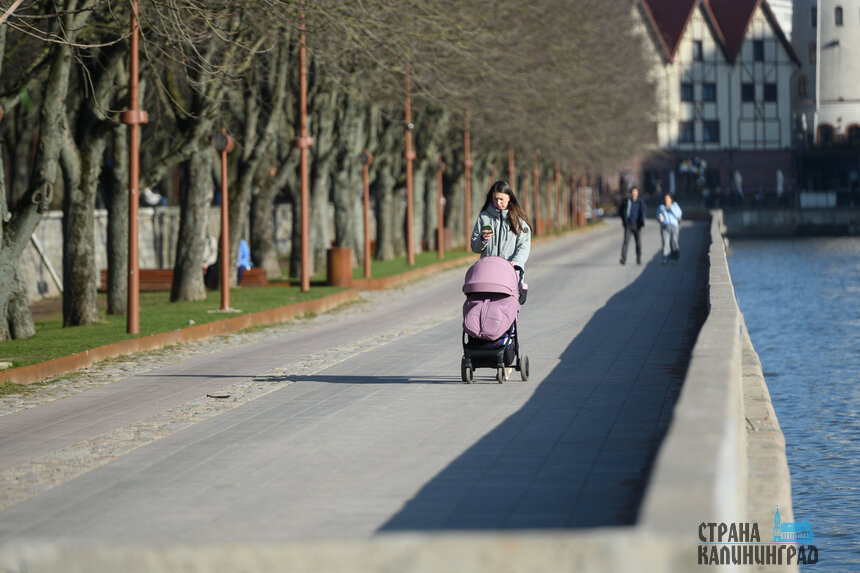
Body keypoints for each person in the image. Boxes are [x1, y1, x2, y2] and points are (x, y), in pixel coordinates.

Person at [470, 180, 531, 269]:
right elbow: (475, 248)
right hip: (488, 271)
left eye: (501, 199)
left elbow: (523, 247)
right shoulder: (484, 216)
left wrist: (516, 262)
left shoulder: (519, 220)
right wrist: (482, 239)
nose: (498, 202)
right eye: (495, 199)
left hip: (510, 271)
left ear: (509, 197)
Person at [618, 186, 646, 265]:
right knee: (626, 242)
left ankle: (638, 258)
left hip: (637, 225)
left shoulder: (640, 202)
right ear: (630, 193)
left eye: (636, 192)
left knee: (638, 243)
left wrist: (642, 220)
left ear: (637, 193)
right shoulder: (626, 201)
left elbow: (644, 211)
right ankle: (623, 259)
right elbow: (620, 211)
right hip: (628, 226)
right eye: (633, 192)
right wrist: (624, 221)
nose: (634, 194)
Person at [656, 192, 682, 264]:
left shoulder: (675, 206)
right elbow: (657, 216)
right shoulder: (661, 207)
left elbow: (679, 214)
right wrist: (659, 218)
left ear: (671, 199)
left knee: (674, 242)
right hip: (665, 226)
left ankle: (674, 257)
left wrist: (671, 208)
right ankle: (665, 258)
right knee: (665, 242)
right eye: (665, 199)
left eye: (668, 198)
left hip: (674, 226)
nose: (667, 200)